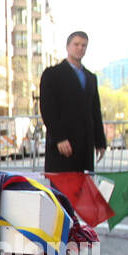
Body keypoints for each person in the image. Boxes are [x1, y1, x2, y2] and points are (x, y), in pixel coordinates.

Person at [39, 31, 106, 173]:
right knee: (61, 191)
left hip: (85, 146)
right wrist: (59, 138)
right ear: (68, 47)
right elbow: (47, 109)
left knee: (83, 191)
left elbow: (95, 111)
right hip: (63, 145)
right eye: (76, 44)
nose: (80, 48)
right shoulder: (52, 74)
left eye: (84, 45)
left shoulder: (91, 77)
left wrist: (100, 142)